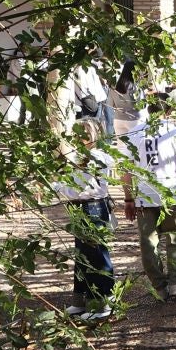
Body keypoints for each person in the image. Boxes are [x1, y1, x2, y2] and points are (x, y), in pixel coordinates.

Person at [120, 90, 176, 299]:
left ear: (149, 108)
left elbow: (125, 169)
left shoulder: (134, 132)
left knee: (148, 242)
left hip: (145, 196)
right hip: (172, 192)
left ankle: (159, 286)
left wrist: (128, 198)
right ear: (170, 109)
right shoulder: (174, 128)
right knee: (175, 237)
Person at [53, 118, 117, 321]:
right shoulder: (83, 156)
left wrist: (56, 187)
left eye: (80, 134)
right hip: (82, 208)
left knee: (95, 254)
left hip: (91, 208)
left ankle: (102, 301)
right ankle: (82, 300)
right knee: (82, 255)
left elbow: (77, 188)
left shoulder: (93, 158)